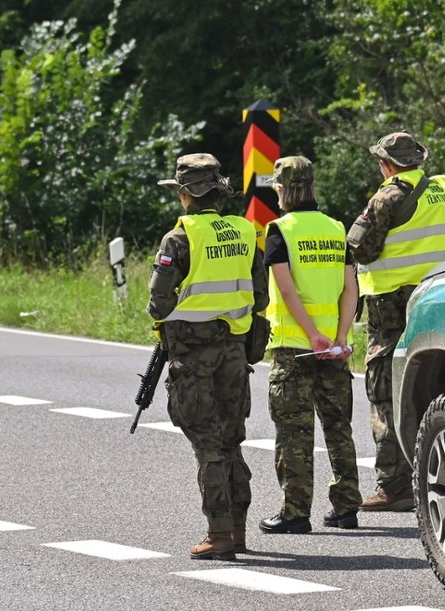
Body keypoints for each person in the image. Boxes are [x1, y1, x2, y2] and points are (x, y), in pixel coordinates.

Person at [148, 153, 268, 560]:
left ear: (185, 195)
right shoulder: (244, 231)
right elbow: (261, 296)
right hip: (235, 352)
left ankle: (217, 535)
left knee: (207, 445)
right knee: (232, 442)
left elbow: (158, 305)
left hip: (193, 357)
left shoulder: (179, 238)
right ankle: (236, 531)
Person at [347, 132, 445, 511]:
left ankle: (395, 485)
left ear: (387, 164)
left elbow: (360, 246)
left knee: (385, 392)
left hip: (394, 306)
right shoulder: (444, 189)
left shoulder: (389, 194)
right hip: (441, 299)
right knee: (436, 388)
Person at [258, 156, 363, 534]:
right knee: (339, 427)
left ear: (281, 189)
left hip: (294, 347)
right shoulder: (336, 229)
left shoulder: (279, 230)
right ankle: (346, 507)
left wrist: (311, 335)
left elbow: (286, 290)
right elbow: (352, 288)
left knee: (294, 431)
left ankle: (295, 512)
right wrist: (339, 337)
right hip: (333, 350)